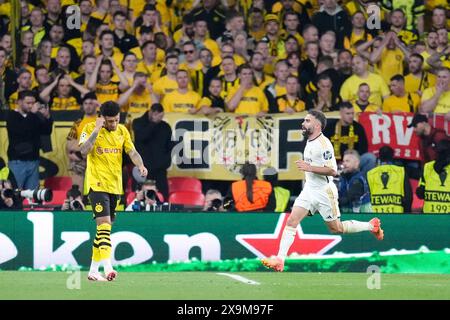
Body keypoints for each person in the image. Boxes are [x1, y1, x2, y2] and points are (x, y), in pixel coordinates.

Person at [261, 110, 383, 272]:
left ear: (317, 125)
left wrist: (309, 167)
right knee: (291, 221)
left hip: (324, 192)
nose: (303, 124)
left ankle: (371, 225)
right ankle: (280, 259)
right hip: (310, 190)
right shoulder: (310, 141)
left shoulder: (324, 145)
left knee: (336, 228)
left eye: (307, 121)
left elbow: (332, 171)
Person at [79, 101, 148, 281]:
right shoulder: (88, 127)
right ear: (102, 118)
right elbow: (83, 152)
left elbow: (132, 152)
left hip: (115, 186)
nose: (114, 124)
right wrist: (96, 130)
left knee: (103, 230)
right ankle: (108, 267)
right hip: (96, 184)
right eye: (110, 121)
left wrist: (140, 165)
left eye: (116, 120)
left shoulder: (123, 131)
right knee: (104, 226)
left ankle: (93, 271)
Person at [6, 90, 53, 190]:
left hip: (34, 160)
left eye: (33, 103)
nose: (31, 106)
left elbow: (46, 132)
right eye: (28, 103)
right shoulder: (12, 116)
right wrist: (32, 114)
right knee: (16, 192)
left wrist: (48, 117)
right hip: (17, 162)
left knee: (32, 195)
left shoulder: (35, 116)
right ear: (19, 102)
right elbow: (22, 131)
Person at [132, 103, 173, 200]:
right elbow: (141, 137)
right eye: (158, 116)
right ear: (151, 112)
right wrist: (153, 124)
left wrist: (165, 163)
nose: (159, 119)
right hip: (142, 169)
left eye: (161, 116)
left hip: (160, 170)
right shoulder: (138, 122)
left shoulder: (165, 127)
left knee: (163, 198)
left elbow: (169, 146)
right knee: (138, 198)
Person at [367, 146, 412, 213]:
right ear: (392, 156)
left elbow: (366, 198)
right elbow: (408, 197)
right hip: (397, 215)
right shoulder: (400, 171)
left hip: (376, 216)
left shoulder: (370, 174)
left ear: (379, 156)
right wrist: (406, 214)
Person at [416, 140, 450, 214]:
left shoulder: (428, 167)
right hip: (430, 218)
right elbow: (420, 193)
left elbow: (420, 193)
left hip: (431, 218)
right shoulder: (427, 167)